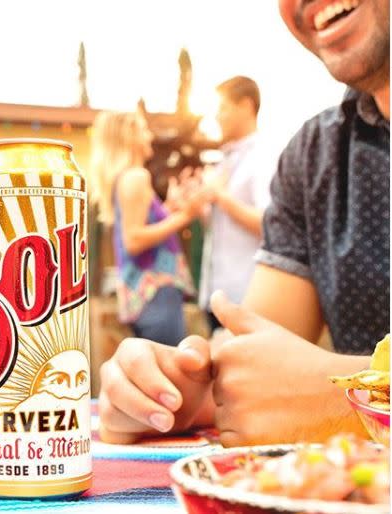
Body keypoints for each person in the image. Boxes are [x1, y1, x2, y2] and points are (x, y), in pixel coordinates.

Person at [98, 0, 390, 447]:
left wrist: (345, 397)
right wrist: (180, 394)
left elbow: (311, 394)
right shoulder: (314, 156)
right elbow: (262, 368)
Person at [89, 110, 204, 346]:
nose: (149, 135)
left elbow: (145, 227)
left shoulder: (126, 178)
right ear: (129, 137)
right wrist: (186, 216)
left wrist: (171, 208)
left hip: (145, 296)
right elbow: (134, 240)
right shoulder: (136, 177)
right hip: (156, 293)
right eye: (143, 130)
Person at [199, 76, 274, 332]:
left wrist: (220, 196)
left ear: (245, 105)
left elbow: (269, 224)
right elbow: (223, 227)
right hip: (215, 292)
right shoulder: (224, 160)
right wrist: (201, 208)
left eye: (223, 109)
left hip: (247, 296)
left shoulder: (264, 156)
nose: (217, 117)